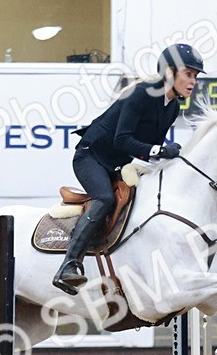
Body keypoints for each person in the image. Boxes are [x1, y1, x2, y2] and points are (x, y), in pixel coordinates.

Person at [52, 43, 204, 294]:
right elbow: (121, 140)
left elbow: (149, 148)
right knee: (105, 198)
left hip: (117, 164)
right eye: (189, 74)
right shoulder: (141, 94)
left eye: (195, 76)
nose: (193, 82)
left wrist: (165, 157)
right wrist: (159, 150)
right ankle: (69, 264)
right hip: (91, 157)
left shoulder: (173, 107)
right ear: (169, 73)